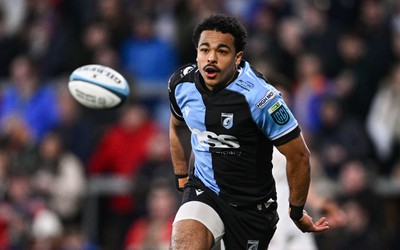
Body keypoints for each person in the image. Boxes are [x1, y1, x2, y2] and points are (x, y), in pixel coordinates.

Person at [168, 14, 329, 250]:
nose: (211, 58)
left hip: (252, 208)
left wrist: (296, 212)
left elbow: (300, 156)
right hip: (206, 190)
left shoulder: (261, 98)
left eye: (222, 51)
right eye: (204, 50)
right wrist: (182, 177)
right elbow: (176, 125)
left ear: (237, 57)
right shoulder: (181, 85)